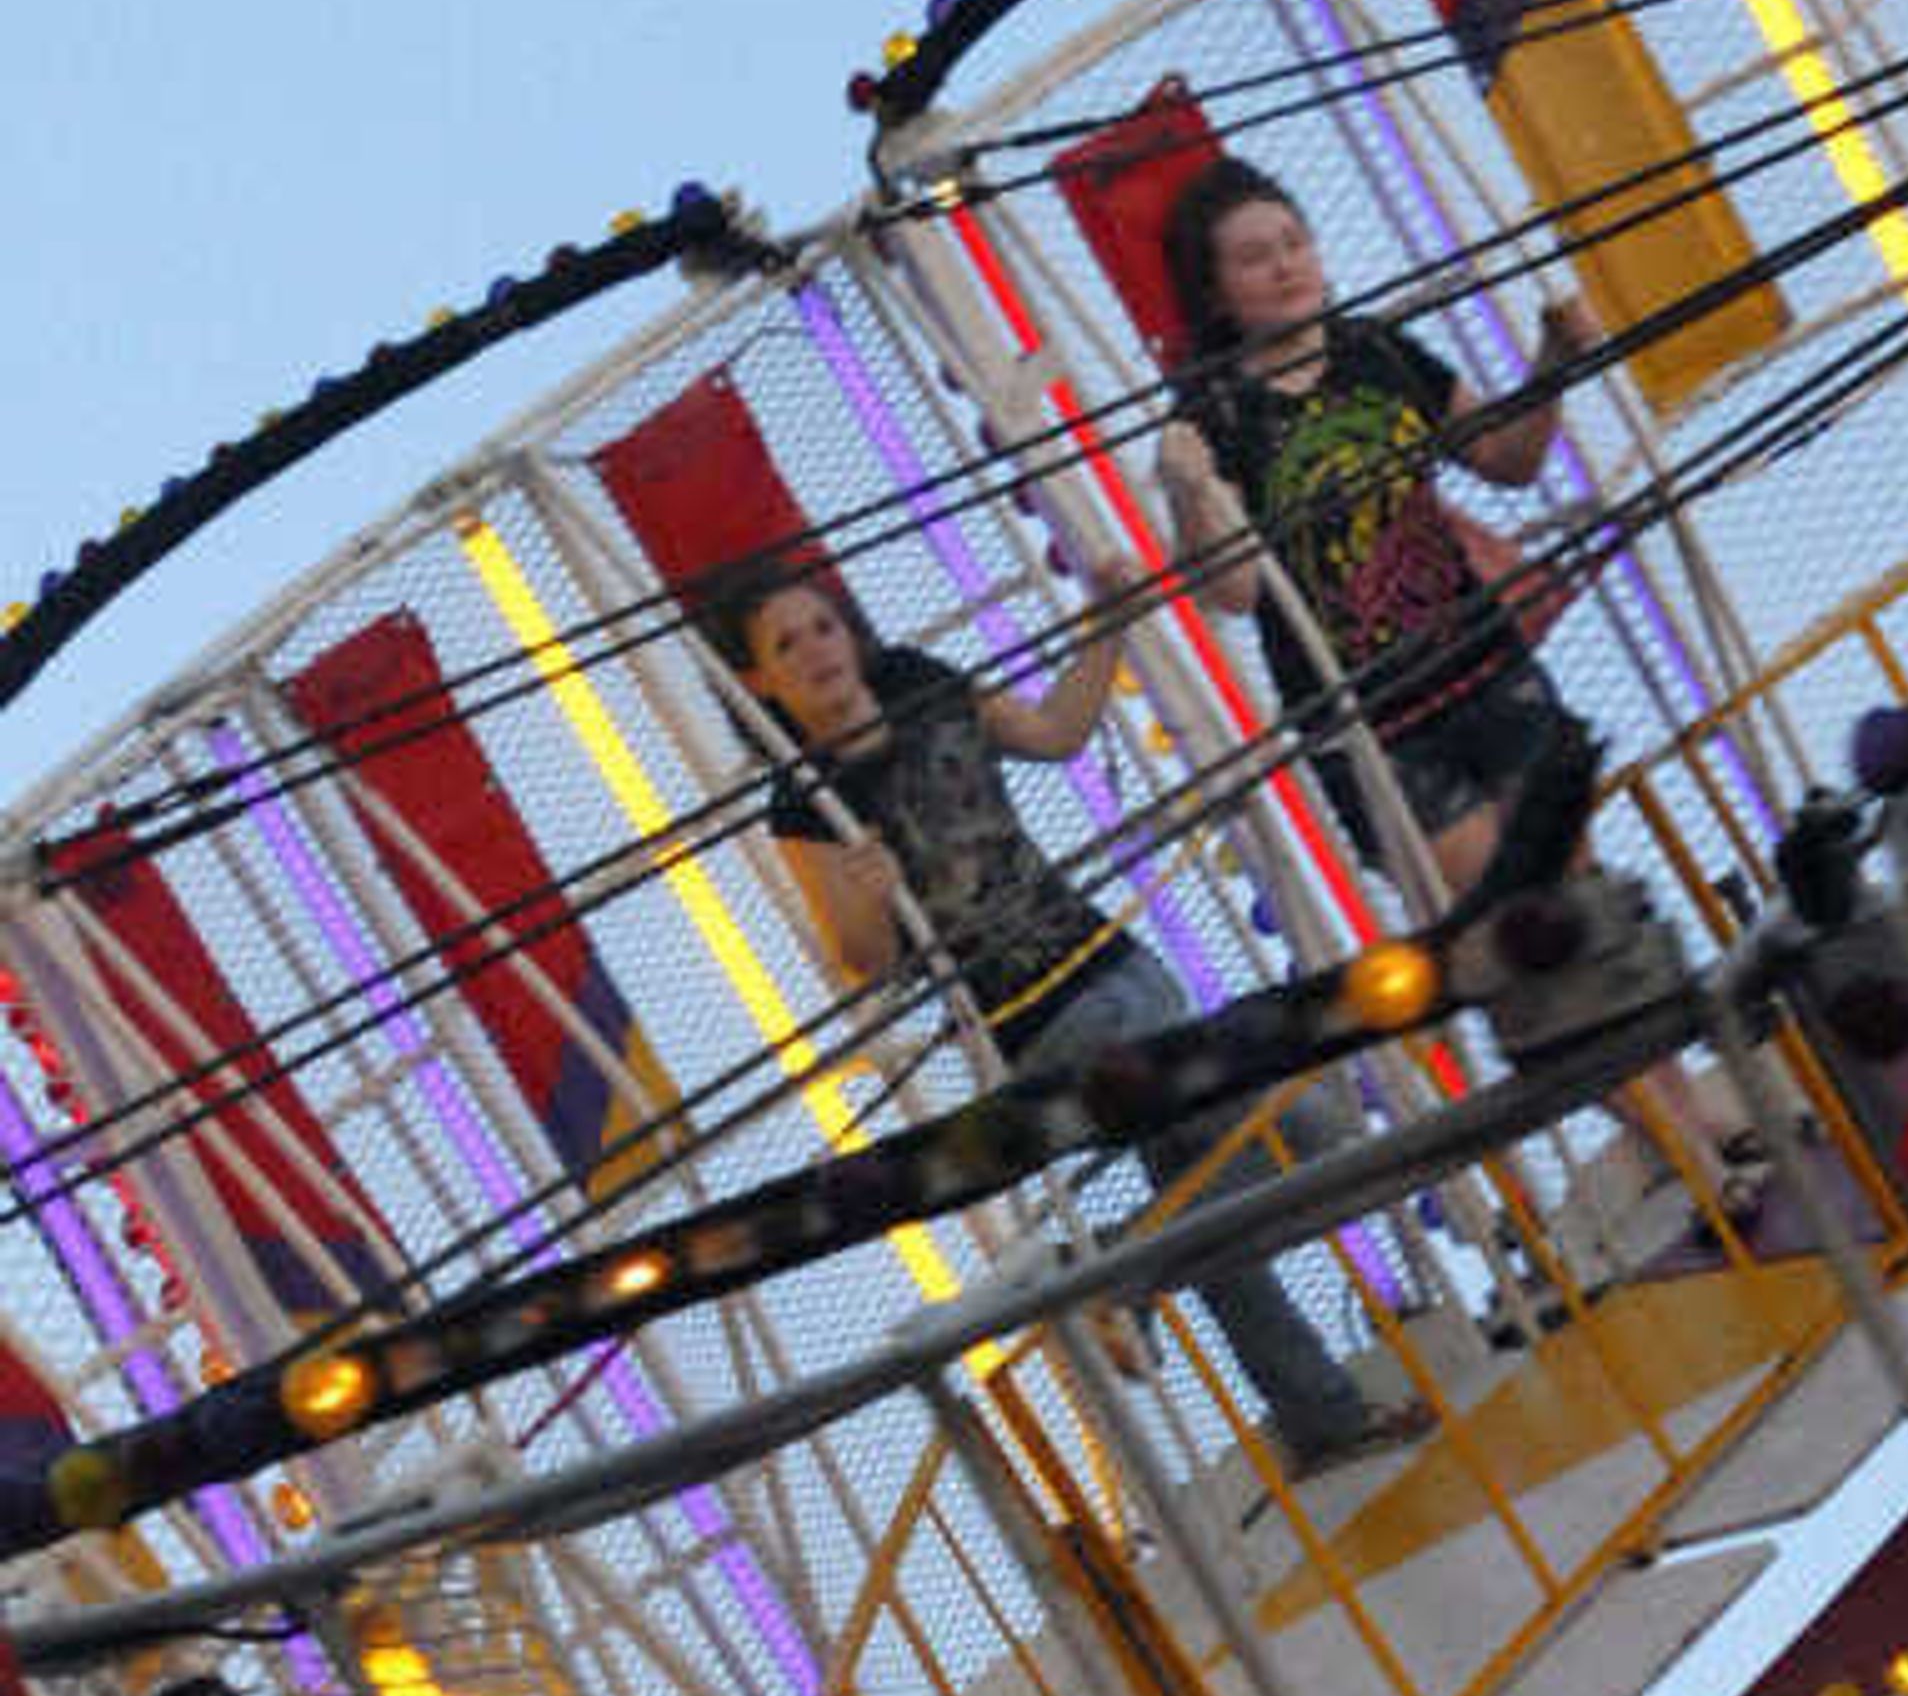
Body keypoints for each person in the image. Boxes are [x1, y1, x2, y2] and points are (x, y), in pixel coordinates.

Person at [710, 548, 1418, 1481]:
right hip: (1040, 1023)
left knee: (1207, 1214)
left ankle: (1308, 1408)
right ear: (761, 680)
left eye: (822, 627)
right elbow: (865, 961)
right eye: (785, 645)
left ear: (851, 633)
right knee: (1310, 1127)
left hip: (1117, 960)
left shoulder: (924, 683)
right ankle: (1128, 1275)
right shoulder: (804, 807)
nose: (814, 653)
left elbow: (1052, 733)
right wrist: (873, 894)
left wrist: (1107, 624)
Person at [1150, 162, 1766, 1232]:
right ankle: (1691, 1144)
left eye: (1292, 239)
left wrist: (1555, 360)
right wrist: (1186, 493)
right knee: (1514, 932)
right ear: (1219, 294)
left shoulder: (1378, 350)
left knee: (1580, 902)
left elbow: (1508, 458)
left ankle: (1689, 1120)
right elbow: (1234, 591)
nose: (1286, 265)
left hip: (1482, 663)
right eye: (1255, 256)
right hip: (1374, 723)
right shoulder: (1218, 418)